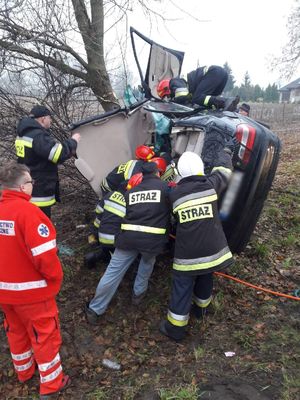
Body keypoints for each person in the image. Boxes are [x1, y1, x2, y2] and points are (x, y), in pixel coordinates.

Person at [0, 162, 69, 399]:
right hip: (33, 293)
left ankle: (24, 372)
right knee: (44, 336)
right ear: (22, 187)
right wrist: (56, 278)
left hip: (4, 293)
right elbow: (45, 257)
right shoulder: (30, 213)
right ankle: (52, 384)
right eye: (31, 182)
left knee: (16, 332)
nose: (33, 185)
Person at [159, 149, 234, 341]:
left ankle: (175, 328)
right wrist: (224, 151)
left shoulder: (173, 194)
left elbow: (172, 219)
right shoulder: (211, 185)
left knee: (182, 287)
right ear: (201, 169)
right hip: (213, 252)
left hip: (188, 255)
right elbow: (224, 171)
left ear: (180, 173)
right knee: (205, 276)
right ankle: (201, 310)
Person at [85, 162, 170, 324]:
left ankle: (95, 309)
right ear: (157, 173)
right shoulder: (165, 188)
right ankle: (138, 295)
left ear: (141, 175)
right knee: (146, 265)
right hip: (152, 242)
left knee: (113, 272)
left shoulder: (130, 192)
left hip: (128, 238)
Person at [15, 105, 81, 218]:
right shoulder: (38, 136)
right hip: (39, 188)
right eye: (49, 118)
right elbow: (58, 154)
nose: (51, 120)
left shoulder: (23, 134)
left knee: (30, 219)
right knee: (40, 223)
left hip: (28, 184)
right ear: (42, 119)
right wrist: (73, 141)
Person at [157, 65, 240, 111]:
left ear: (166, 89)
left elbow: (183, 96)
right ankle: (231, 106)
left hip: (214, 72)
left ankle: (225, 101)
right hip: (222, 75)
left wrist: (172, 102)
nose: (168, 98)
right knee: (209, 103)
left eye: (167, 96)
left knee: (197, 98)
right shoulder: (180, 82)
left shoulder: (174, 82)